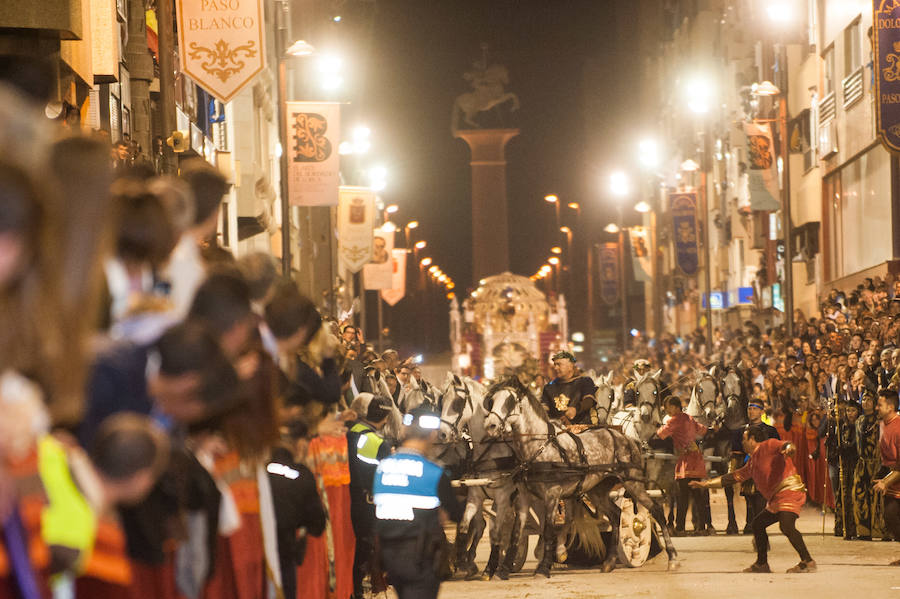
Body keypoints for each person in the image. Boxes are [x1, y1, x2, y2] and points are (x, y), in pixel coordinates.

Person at [691, 425, 816, 573]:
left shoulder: (768, 444)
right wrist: (705, 484)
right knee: (758, 524)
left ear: (752, 440)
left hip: (789, 490)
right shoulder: (752, 462)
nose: (742, 442)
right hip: (777, 498)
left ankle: (807, 561)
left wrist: (790, 449)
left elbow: (786, 445)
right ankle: (762, 564)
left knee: (786, 525)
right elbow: (732, 478)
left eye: (744, 439)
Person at [373, 406, 462, 599]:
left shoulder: (383, 468)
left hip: (389, 556)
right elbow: (455, 513)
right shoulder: (434, 472)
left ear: (405, 432)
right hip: (421, 556)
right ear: (431, 436)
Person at [347, 394, 394, 599]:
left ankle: (352, 588)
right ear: (386, 417)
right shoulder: (379, 442)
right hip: (368, 504)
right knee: (364, 548)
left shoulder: (349, 432)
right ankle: (358, 590)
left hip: (346, 498)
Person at [656, 396, 710, 535]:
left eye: (667, 407)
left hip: (685, 462)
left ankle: (680, 528)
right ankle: (702, 527)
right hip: (697, 461)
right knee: (697, 496)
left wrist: (657, 427)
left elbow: (661, 434)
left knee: (682, 498)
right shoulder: (689, 418)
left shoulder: (674, 420)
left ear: (674, 407)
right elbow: (703, 430)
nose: (666, 410)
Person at [739, 400, 780, 534]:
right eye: (749, 409)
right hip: (748, 467)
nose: (751, 412)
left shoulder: (770, 431)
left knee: (760, 498)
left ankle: (758, 525)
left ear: (761, 411)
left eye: (754, 409)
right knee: (749, 497)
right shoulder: (742, 430)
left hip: (764, 470)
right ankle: (750, 523)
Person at [874, 389, 900, 564]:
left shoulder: (898, 428)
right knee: (891, 519)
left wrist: (886, 481)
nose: (876, 408)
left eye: (880, 405)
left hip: (896, 476)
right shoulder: (884, 424)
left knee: (892, 517)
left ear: (890, 407)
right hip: (893, 478)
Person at [854, 394, 885, 539]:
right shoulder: (859, 421)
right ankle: (863, 530)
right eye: (864, 400)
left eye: (869, 400)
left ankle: (878, 529)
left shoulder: (880, 421)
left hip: (876, 462)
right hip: (862, 463)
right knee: (860, 495)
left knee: (876, 497)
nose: (866, 402)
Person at [541, 351, 597, 426]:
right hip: (557, 430)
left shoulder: (584, 381)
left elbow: (589, 401)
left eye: (559, 364)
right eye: (555, 365)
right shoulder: (549, 387)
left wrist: (576, 409)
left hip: (582, 429)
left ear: (570, 366)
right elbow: (545, 409)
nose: (555, 368)